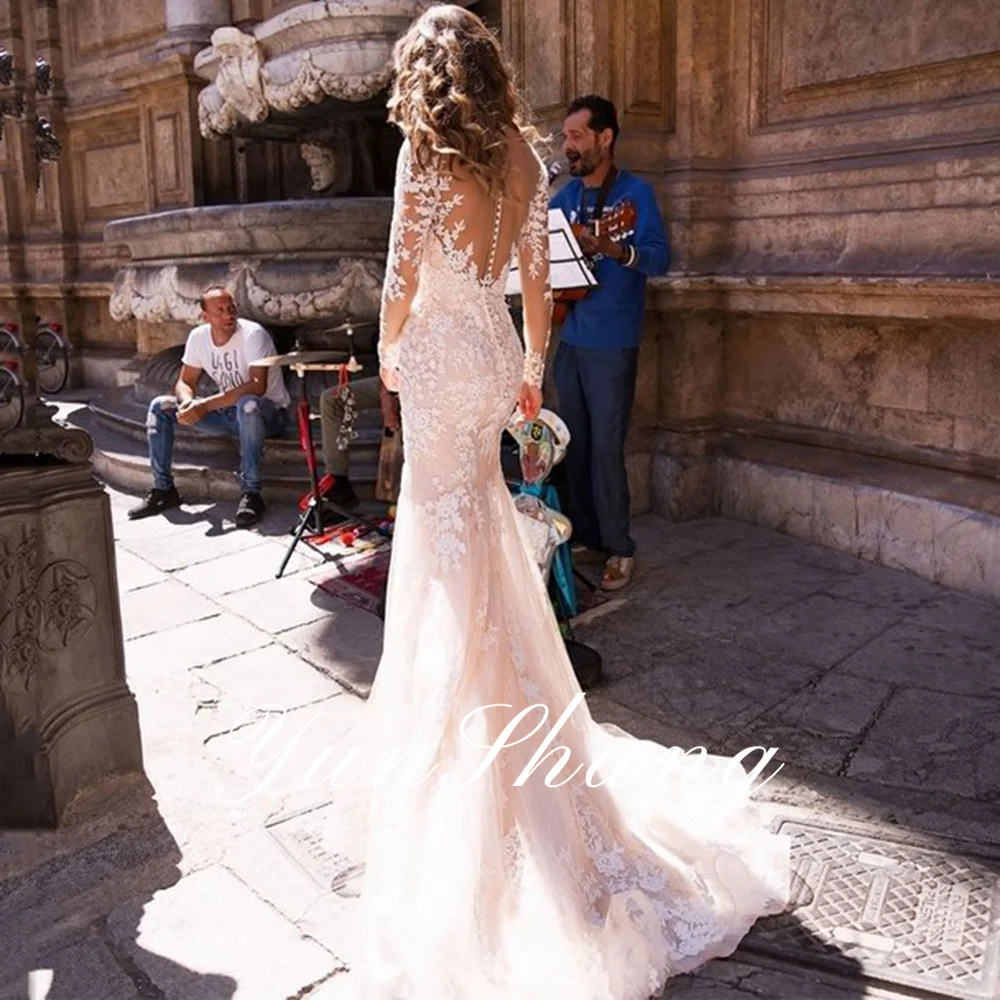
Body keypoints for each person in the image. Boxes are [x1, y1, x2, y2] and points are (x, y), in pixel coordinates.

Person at [349, 6, 789, 999]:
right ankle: (508, 744)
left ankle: (464, 765)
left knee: (441, 553)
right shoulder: (518, 158)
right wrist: (530, 369)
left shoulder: (424, 158)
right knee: (487, 548)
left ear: (424, 79)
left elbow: (398, 281)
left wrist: (384, 356)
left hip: (435, 363)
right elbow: (537, 280)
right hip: (498, 360)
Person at [550, 95, 670, 591]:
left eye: (577, 136)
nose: (568, 147)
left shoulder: (636, 195)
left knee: (605, 449)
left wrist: (615, 248)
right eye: (565, 137)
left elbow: (660, 260)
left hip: (613, 342)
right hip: (569, 337)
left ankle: (620, 548)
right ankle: (588, 534)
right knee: (571, 447)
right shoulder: (561, 199)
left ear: (605, 137)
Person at [127, 288, 290, 528]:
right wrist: (188, 402)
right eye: (220, 311)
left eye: (231, 308)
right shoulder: (198, 337)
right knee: (160, 406)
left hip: (268, 415)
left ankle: (252, 494)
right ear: (205, 317)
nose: (228, 315)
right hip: (228, 414)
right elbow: (184, 381)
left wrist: (205, 405)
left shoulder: (253, 334)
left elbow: (257, 386)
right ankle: (163, 490)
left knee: (248, 405)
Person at [317, 374, 401, 513]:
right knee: (331, 399)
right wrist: (387, 400)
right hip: (394, 378)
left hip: (429, 379)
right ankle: (338, 485)